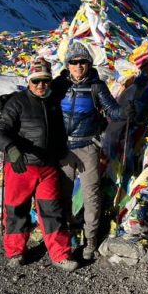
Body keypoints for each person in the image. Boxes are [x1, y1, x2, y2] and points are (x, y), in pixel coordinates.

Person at [0, 57, 78, 271]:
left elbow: (66, 78)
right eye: (36, 80)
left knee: (53, 212)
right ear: (28, 81)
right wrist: (11, 148)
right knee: (16, 210)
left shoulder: (53, 99)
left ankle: (60, 254)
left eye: (45, 81)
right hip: (21, 166)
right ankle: (15, 252)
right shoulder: (17, 102)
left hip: (48, 168)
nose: (41, 85)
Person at [53, 41, 133, 260]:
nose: (78, 66)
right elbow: (38, 103)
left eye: (83, 62)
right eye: (74, 62)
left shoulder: (97, 86)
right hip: (63, 148)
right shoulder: (58, 85)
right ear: (67, 64)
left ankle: (90, 240)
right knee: (62, 194)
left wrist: (125, 111)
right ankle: (67, 235)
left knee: (91, 195)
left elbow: (113, 112)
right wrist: (11, 104)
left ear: (89, 64)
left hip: (88, 147)